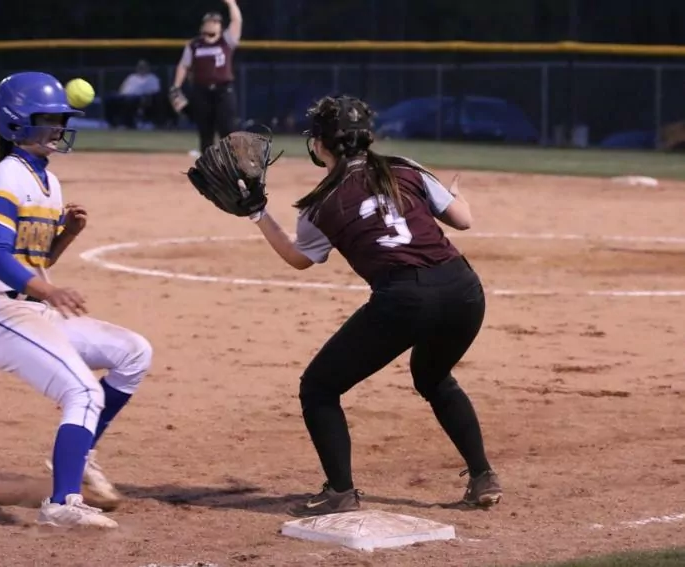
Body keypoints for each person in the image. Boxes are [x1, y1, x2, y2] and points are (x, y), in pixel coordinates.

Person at [246, 95, 502, 517]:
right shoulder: (404, 167)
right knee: (433, 377)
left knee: (319, 388)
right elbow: (463, 220)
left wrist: (258, 213)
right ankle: (483, 476)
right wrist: (458, 195)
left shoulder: (320, 204)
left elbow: (298, 258)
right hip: (464, 290)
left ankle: (340, 492)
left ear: (320, 145)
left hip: (404, 298)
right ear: (368, 137)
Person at [0, 71, 153, 528]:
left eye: (60, 120)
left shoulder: (46, 179)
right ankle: (62, 503)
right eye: (46, 119)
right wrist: (48, 290)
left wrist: (67, 235)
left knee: (134, 352)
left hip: (32, 310)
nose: (57, 128)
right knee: (83, 390)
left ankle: (80, 455)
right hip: (0, 313)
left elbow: (35, 258)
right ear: (16, 122)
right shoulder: (4, 178)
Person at [172, 0, 242, 153]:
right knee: (205, 132)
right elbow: (184, 65)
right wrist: (176, 87)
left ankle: (230, 163)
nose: (211, 24)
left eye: (215, 22)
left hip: (223, 90)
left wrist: (231, 4)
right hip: (201, 90)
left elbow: (236, 22)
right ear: (202, 26)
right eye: (209, 22)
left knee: (227, 129)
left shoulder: (226, 41)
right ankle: (208, 164)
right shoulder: (194, 44)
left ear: (220, 26)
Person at [110, 60, 162, 129]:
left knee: (129, 101)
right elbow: (123, 88)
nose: (141, 68)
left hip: (140, 97)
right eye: (140, 67)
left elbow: (155, 91)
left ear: (148, 68)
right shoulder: (131, 77)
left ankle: (127, 123)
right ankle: (112, 123)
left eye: (143, 67)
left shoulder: (152, 78)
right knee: (110, 99)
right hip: (125, 96)